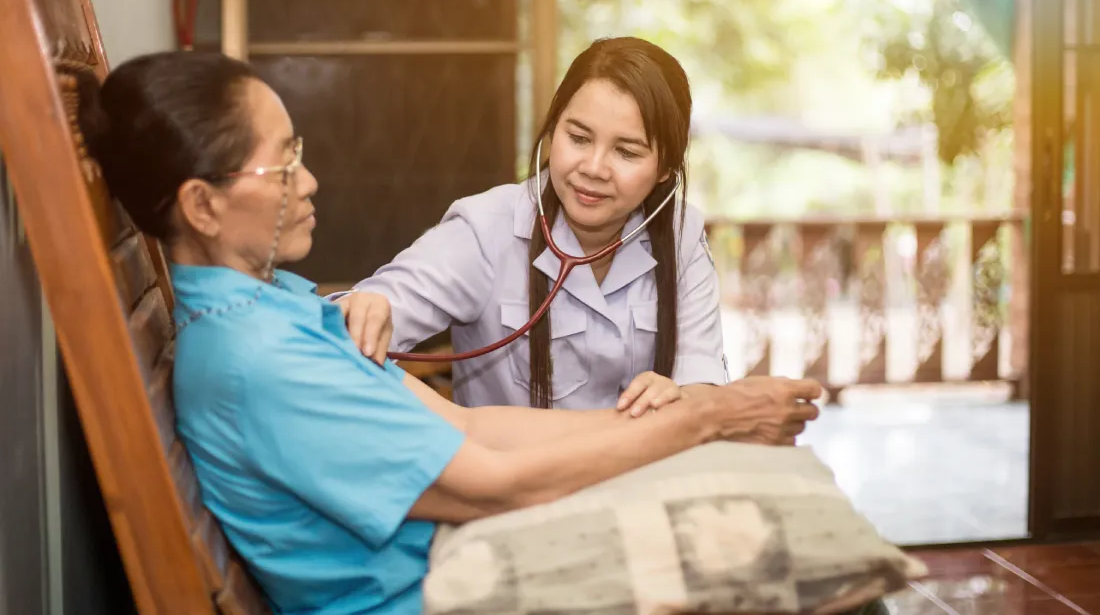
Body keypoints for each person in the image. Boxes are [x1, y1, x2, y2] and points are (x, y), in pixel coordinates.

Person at [77, 51, 823, 614]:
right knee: (798, 572)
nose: (310, 182)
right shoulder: (257, 358)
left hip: (483, 530)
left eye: (628, 152)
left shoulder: (279, 307)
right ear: (203, 208)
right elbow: (490, 481)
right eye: (285, 164)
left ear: (664, 170)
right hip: (445, 575)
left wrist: (700, 411)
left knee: (785, 527)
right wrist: (708, 419)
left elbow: (468, 425)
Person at [337, 37, 731, 416]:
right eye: (578, 138)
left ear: (665, 170)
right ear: (552, 129)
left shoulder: (683, 238)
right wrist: (365, 308)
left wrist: (683, 398)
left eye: (626, 152)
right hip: (513, 481)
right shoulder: (485, 228)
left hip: (640, 481)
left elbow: (704, 382)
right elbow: (353, 323)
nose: (593, 168)